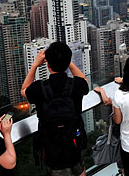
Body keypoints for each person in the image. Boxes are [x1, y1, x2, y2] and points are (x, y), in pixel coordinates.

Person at [21, 42, 89, 176]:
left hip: (51, 148)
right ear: (68, 61)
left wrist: (35, 65)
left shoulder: (40, 88)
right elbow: (85, 82)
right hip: (75, 142)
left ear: (47, 64)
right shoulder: (75, 84)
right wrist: (67, 61)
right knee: (79, 169)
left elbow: (23, 90)